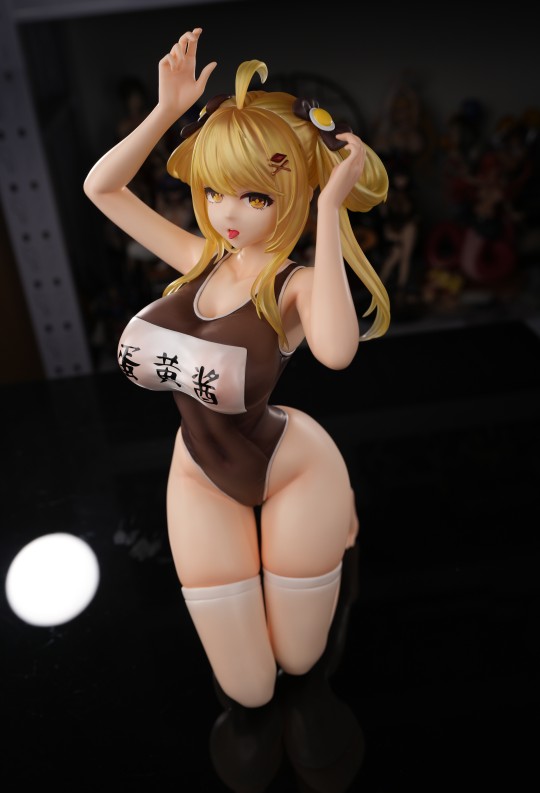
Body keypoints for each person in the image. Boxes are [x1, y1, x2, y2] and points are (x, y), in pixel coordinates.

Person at [83, 28, 390, 708]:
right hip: (200, 469)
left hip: (291, 466)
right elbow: (101, 188)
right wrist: (166, 110)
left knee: (300, 660)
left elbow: (338, 352)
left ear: (294, 195)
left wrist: (329, 212)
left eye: (256, 197)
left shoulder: (294, 286)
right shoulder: (200, 260)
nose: (228, 212)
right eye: (216, 189)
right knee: (249, 691)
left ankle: (337, 513)